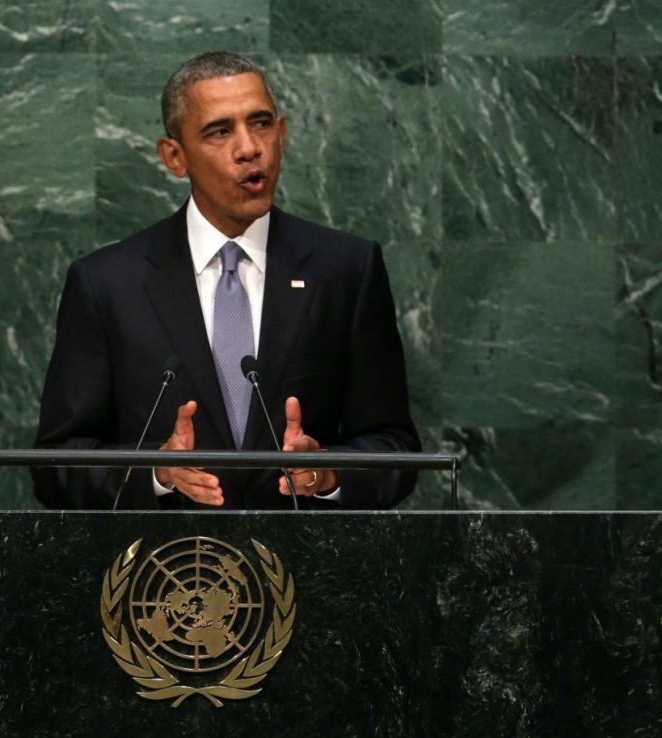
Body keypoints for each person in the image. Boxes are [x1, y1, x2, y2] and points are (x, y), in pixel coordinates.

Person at [32, 51, 420, 510]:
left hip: (303, 552)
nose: (249, 148)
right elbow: (56, 465)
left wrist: (328, 471)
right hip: (167, 555)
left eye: (261, 124)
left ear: (281, 133)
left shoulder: (345, 269)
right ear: (174, 156)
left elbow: (394, 447)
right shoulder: (107, 285)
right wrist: (155, 472)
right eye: (220, 131)